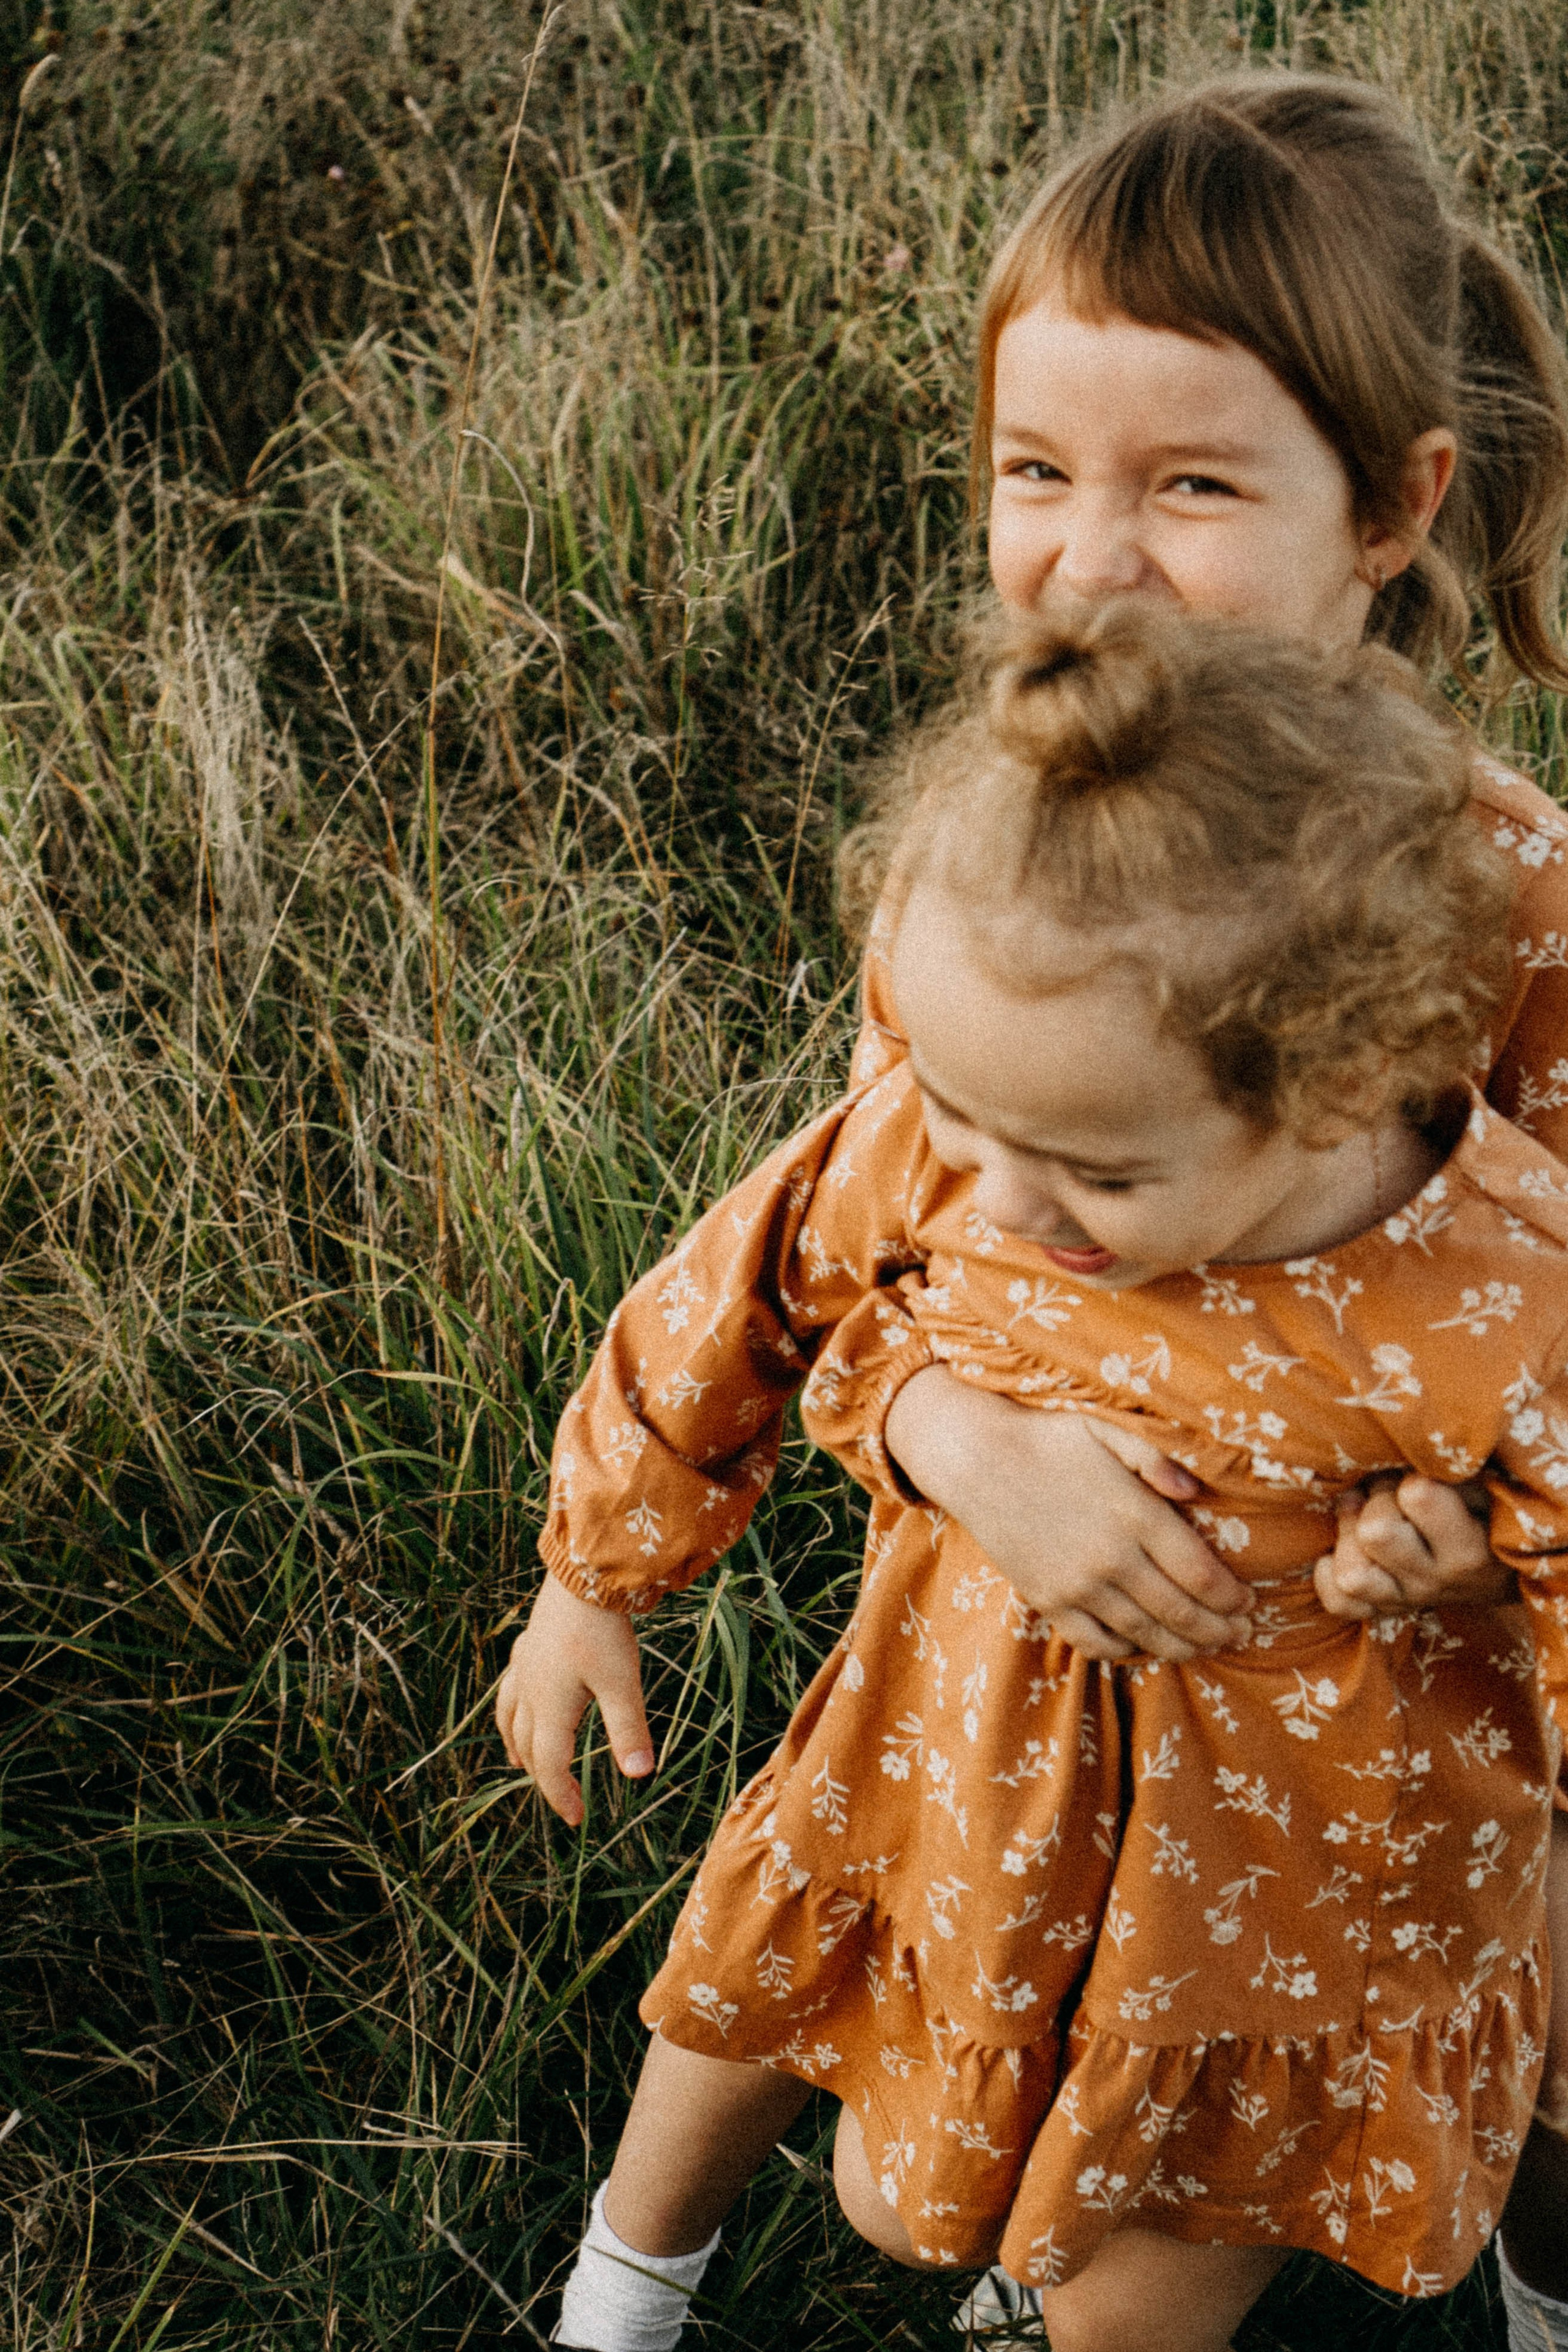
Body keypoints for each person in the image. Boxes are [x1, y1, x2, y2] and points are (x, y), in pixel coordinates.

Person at [502, 71, 1568, 2349]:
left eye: (1192, 486)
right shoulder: (1007, 858)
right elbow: (872, 1236)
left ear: (1394, 507)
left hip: (1339, 1747)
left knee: (1392, 2060)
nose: (1088, 560)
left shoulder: (1519, 912)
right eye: (1032, 473)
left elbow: (1533, 1328)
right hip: (988, 1629)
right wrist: (955, 1443)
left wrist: (1475, 1529)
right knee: (900, 1925)